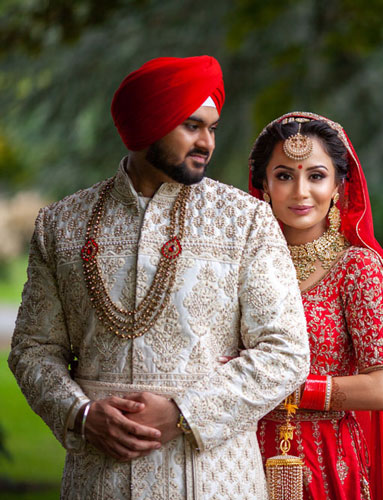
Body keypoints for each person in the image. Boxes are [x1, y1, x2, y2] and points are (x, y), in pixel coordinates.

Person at [8, 56, 309, 499]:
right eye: (191, 125)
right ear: (150, 124)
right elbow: (33, 350)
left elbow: (286, 352)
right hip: (99, 480)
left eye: (212, 128)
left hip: (214, 479)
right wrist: (83, 415)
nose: (206, 142)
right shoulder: (63, 225)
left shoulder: (244, 221)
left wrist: (184, 412)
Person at [244, 111, 383, 499]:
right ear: (264, 184)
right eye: (284, 175)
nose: (300, 191)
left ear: (339, 184)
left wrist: (283, 390)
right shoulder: (242, 266)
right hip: (238, 455)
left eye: (316, 176)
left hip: (325, 459)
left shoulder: (359, 268)